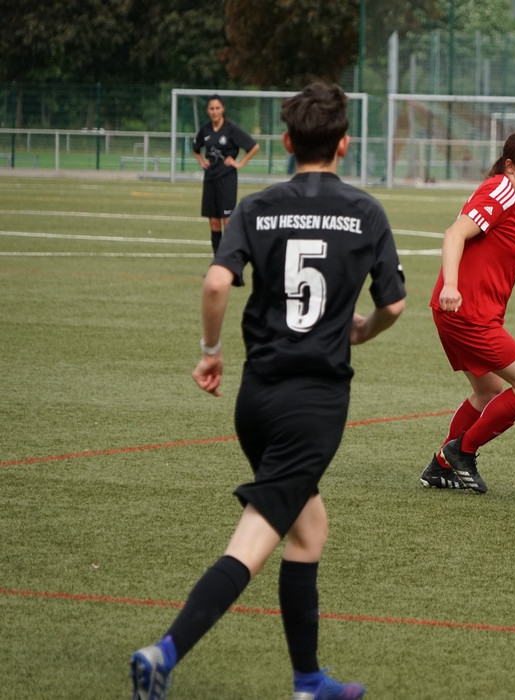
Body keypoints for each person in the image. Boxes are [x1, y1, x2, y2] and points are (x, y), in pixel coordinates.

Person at [130, 83, 406, 700]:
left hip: (255, 399)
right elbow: (393, 303)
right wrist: (362, 329)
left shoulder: (256, 207)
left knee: (308, 530)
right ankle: (164, 652)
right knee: (255, 538)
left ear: (285, 143)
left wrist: (210, 352)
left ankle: (309, 681)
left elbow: (215, 284)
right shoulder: (365, 211)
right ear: (344, 144)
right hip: (314, 403)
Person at [419, 131, 515, 495]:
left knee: (489, 390)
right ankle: (462, 452)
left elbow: (489, 242)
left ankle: (440, 466)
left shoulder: (507, 196)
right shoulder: (501, 190)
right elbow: (454, 234)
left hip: (464, 313)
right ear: (510, 166)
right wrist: (450, 285)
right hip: (468, 314)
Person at [192, 95, 260, 256]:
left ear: (223, 109)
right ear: (207, 110)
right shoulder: (205, 129)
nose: (215, 112)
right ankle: (217, 260)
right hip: (210, 179)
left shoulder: (231, 128)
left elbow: (254, 147)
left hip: (227, 179)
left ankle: (230, 259)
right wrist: (201, 161)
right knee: (214, 222)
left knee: (227, 221)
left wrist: (240, 163)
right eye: (211, 108)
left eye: (217, 108)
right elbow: (195, 148)